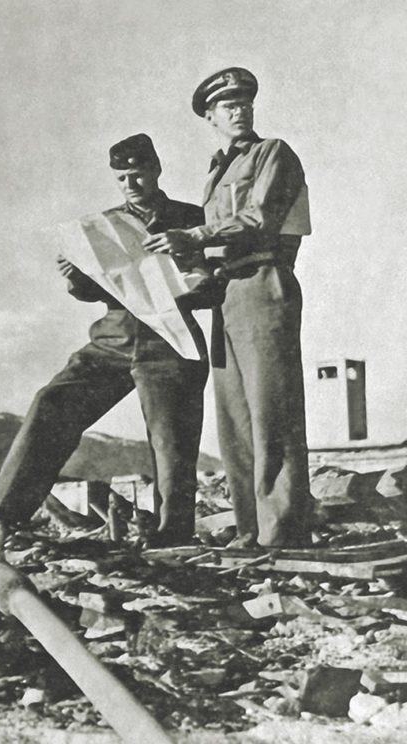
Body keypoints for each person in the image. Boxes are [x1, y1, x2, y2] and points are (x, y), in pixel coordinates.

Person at [0, 133, 208, 547]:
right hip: (115, 334)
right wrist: (75, 281)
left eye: (137, 175)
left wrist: (190, 260)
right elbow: (99, 290)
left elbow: (214, 284)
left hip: (172, 339)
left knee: (171, 440)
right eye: (122, 178)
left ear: (155, 170)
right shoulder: (102, 226)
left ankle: (172, 536)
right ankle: (2, 511)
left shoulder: (193, 219)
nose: (130, 185)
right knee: (54, 401)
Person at [143, 68, 312, 548]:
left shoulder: (271, 153)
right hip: (226, 293)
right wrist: (184, 259)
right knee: (235, 419)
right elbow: (214, 243)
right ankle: (249, 528)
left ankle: (283, 532)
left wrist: (194, 234)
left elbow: (260, 216)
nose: (240, 111)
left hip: (263, 282)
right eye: (228, 106)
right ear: (210, 117)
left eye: (245, 103)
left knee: (271, 411)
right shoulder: (216, 173)